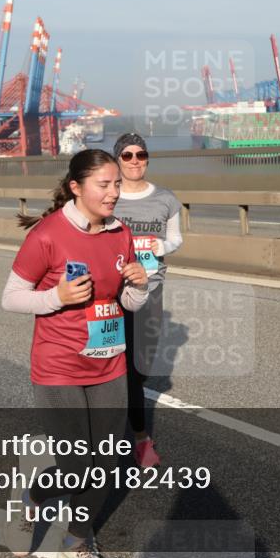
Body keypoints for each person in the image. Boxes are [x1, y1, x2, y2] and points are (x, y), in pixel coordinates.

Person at [1, 149, 148, 558]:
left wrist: (140, 285)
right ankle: (32, 498)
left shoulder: (121, 233)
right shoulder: (47, 235)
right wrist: (57, 297)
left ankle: (76, 544)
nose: (114, 192)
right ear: (76, 187)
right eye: (104, 185)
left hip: (110, 364)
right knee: (77, 468)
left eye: (117, 184)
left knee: (104, 466)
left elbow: (127, 302)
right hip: (59, 367)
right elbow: (10, 298)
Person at [111, 133, 182, 468]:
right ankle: (139, 439)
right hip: (115, 292)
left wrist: (162, 247)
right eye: (127, 155)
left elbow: (176, 238)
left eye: (141, 154)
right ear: (117, 160)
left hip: (151, 290)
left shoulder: (165, 198)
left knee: (141, 370)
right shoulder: (109, 197)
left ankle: (126, 414)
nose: (135, 160)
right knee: (121, 366)